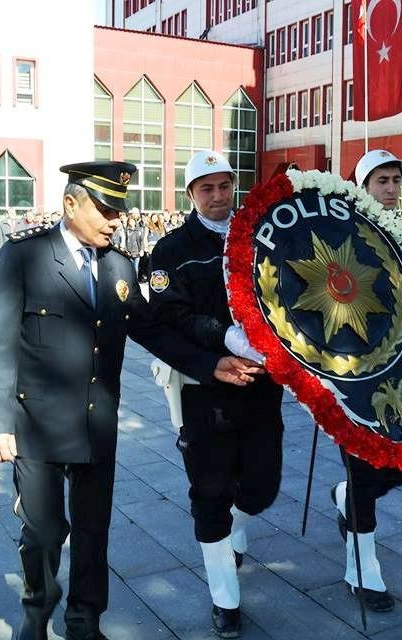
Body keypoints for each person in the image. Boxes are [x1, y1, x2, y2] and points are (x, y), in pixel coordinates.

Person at [0, 160, 260, 640]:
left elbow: (151, 329)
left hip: (97, 421)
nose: (115, 220)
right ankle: (35, 617)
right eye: (105, 209)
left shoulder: (118, 265)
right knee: (44, 532)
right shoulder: (24, 256)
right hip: (38, 422)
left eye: (119, 209)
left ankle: (85, 623)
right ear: (71, 205)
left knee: (93, 530)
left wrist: (209, 364)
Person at [147, 150, 284, 639]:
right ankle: (225, 598)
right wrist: (223, 339)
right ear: (190, 194)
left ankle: (237, 530)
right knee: (209, 493)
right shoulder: (170, 251)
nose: (218, 196)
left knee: (263, 485)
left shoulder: (262, 239)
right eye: (206, 188)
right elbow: (170, 315)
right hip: (205, 389)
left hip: (262, 385)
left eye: (224, 186)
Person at [331, 150, 402, 613]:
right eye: (380, 181)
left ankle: (343, 496)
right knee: (364, 474)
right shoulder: (342, 240)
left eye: (394, 180)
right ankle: (362, 572)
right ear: (362, 188)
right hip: (352, 379)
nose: (390, 188)